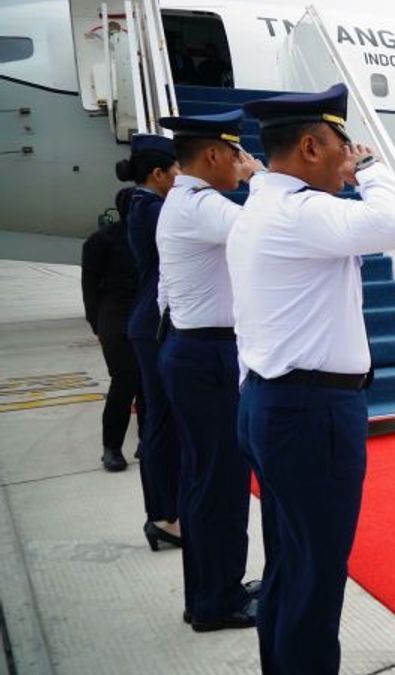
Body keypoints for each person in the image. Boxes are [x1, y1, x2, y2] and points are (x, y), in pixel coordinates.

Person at [230, 84, 395, 674]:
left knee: (291, 562)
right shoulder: (300, 210)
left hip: (271, 401)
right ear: (311, 146)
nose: (349, 157)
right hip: (310, 415)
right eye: (342, 145)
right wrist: (375, 168)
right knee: (316, 576)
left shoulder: (258, 206)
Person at [157, 110, 261, 632]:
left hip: (193, 350)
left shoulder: (185, 201)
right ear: (215, 154)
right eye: (237, 155)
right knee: (219, 482)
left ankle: (209, 590)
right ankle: (217, 601)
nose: (240, 164)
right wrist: (263, 178)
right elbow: (267, 230)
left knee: (205, 479)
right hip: (208, 356)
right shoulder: (202, 205)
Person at [119, 134, 184, 551]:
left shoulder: (142, 205)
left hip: (148, 322)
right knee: (161, 422)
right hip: (156, 323)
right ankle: (163, 515)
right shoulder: (156, 209)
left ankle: (164, 511)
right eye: (177, 169)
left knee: (161, 420)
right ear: (158, 174)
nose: (181, 177)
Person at [82, 188, 142, 472]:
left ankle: (148, 441)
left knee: (150, 385)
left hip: (145, 317)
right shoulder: (101, 241)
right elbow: (90, 288)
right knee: (125, 381)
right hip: (116, 318)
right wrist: (97, 324)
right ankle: (112, 447)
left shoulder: (151, 236)